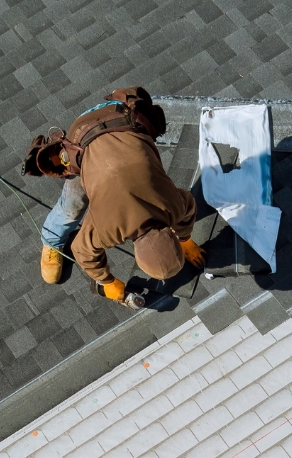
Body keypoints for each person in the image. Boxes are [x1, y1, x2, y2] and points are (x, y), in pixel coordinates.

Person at [26, 88, 206, 305]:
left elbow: (189, 205)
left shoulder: (173, 207)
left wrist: (185, 239)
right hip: (82, 136)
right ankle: (52, 241)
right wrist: (106, 281)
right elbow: (81, 250)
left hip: (119, 114)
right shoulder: (108, 230)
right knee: (72, 205)